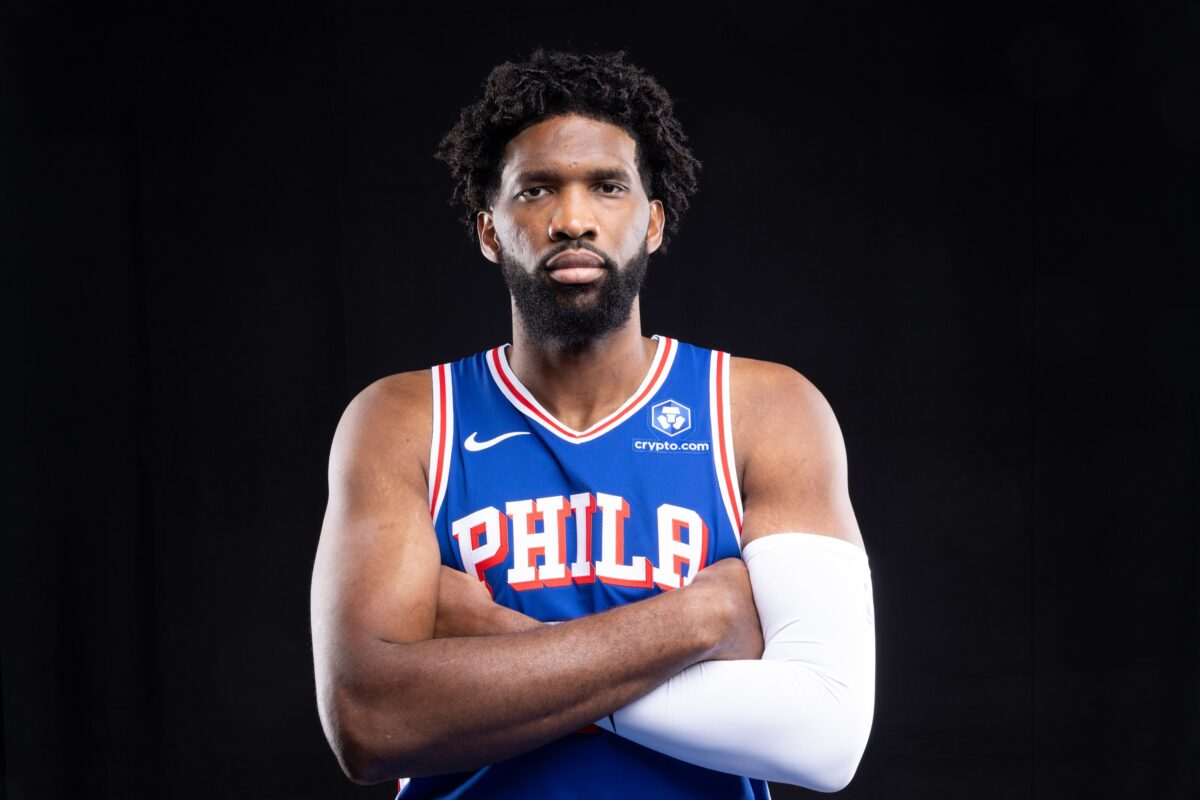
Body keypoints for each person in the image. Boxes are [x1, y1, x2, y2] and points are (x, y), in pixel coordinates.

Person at [310, 49, 876, 799]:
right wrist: (697, 622)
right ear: (489, 231)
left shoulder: (761, 408)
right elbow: (371, 720)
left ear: (653, 222)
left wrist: (500, 651)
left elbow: (824, 737)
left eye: (607, 187)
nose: (572, 219)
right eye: (536, 190)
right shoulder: (407, 420)